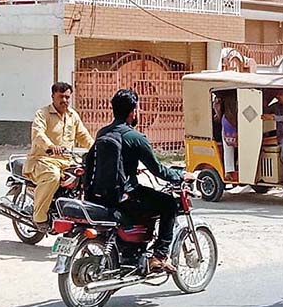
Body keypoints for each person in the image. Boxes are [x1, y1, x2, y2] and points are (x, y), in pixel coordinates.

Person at [95, 89, 196, 274]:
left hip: (100, 195)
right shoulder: (135, 137)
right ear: (133, 111)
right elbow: (158, 170)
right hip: (125, 197)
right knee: (168, 204)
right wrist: (181, 175)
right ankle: (159, 255)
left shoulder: (102, 132)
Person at [24, 82, 93, 232]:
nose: (65, 100)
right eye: (61, 97)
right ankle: (39, 217)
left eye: (67, 97)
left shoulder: (72, 115)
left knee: (84, 176)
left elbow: (83, 135)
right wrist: (50, 147)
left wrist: (96, 149)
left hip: (66, 162)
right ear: (53, 96)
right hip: (42, 160)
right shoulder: (42, 114)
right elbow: (38, 134)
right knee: (53, 176)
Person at [220, 92, 239, 182]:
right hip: (232, 123)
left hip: (228, 122)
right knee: (230, 148)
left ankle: (229, 170)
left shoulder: (225, 94)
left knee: (228, 148)